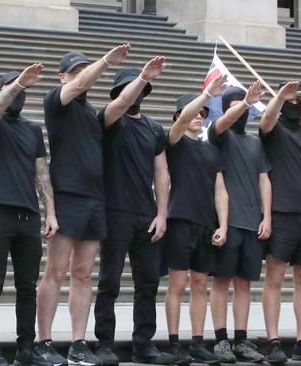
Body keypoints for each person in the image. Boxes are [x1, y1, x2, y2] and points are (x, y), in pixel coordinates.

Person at [35, 44, 130, 366]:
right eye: (75, 71)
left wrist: (143, 76)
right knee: (56, 271)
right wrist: (105, 59)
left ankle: (78, 343)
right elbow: (76, 86)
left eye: (83, 70)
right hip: (68, 196)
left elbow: (122, 103)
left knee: (84, 273)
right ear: (62, 76)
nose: (80, 76)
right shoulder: (56, 101)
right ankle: (44, 341)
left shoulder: (93, 113)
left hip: (95, 198)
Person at [0, 65, 58, 366]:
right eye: (12, 88)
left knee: (27, 286)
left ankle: (26, 347)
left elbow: (41, 172)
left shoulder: (33, 129)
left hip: (28, 216)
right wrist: (17, 82)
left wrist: (50, 212)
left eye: (23, 90)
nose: (18, 93)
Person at [94, 60, 175, 365]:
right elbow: (120, 105)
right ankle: (104, 343)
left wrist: (162, 213)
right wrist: (141, 77)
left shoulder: (154, 129)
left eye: (140, 89)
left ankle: (144, 343)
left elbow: (162, 172)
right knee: (109, 281)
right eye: (129, 90)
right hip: (115, 212)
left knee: (148, 283)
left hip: (147, 214)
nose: (134, 95)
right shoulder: (110, 119)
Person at [163, 82, 229, 365]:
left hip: (205, 225)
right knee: (177, 283)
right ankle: (175, 344)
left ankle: (198, 343)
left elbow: (220, 190)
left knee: (200, 283)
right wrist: (205, 95)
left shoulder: (212, 150)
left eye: (203, 112)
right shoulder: (175, 141)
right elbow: (178, 127)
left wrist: (223, 225)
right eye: (193, 112)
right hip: (180, 220)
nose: (199, 115)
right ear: (179, 116)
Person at [207, 83, 270, 363]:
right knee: (221, 282)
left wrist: (266, 216)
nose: (241, 112)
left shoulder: (256, 143)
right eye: (235, 106)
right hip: (227, 223)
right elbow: (223, 122)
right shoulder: (219, 135)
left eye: (245, 106)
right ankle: (221, 340)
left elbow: (264, 179)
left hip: (251, 223)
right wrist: (245, 102)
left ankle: (242, 341)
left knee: (244, 284)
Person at [259, 81, 301, 365]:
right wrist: (280, 97)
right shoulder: (273, 129)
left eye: (299, 103)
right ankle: (272, 341)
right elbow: (267, 120)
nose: (295, 107)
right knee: (274, 278)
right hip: (280, 212)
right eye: (290, 102)